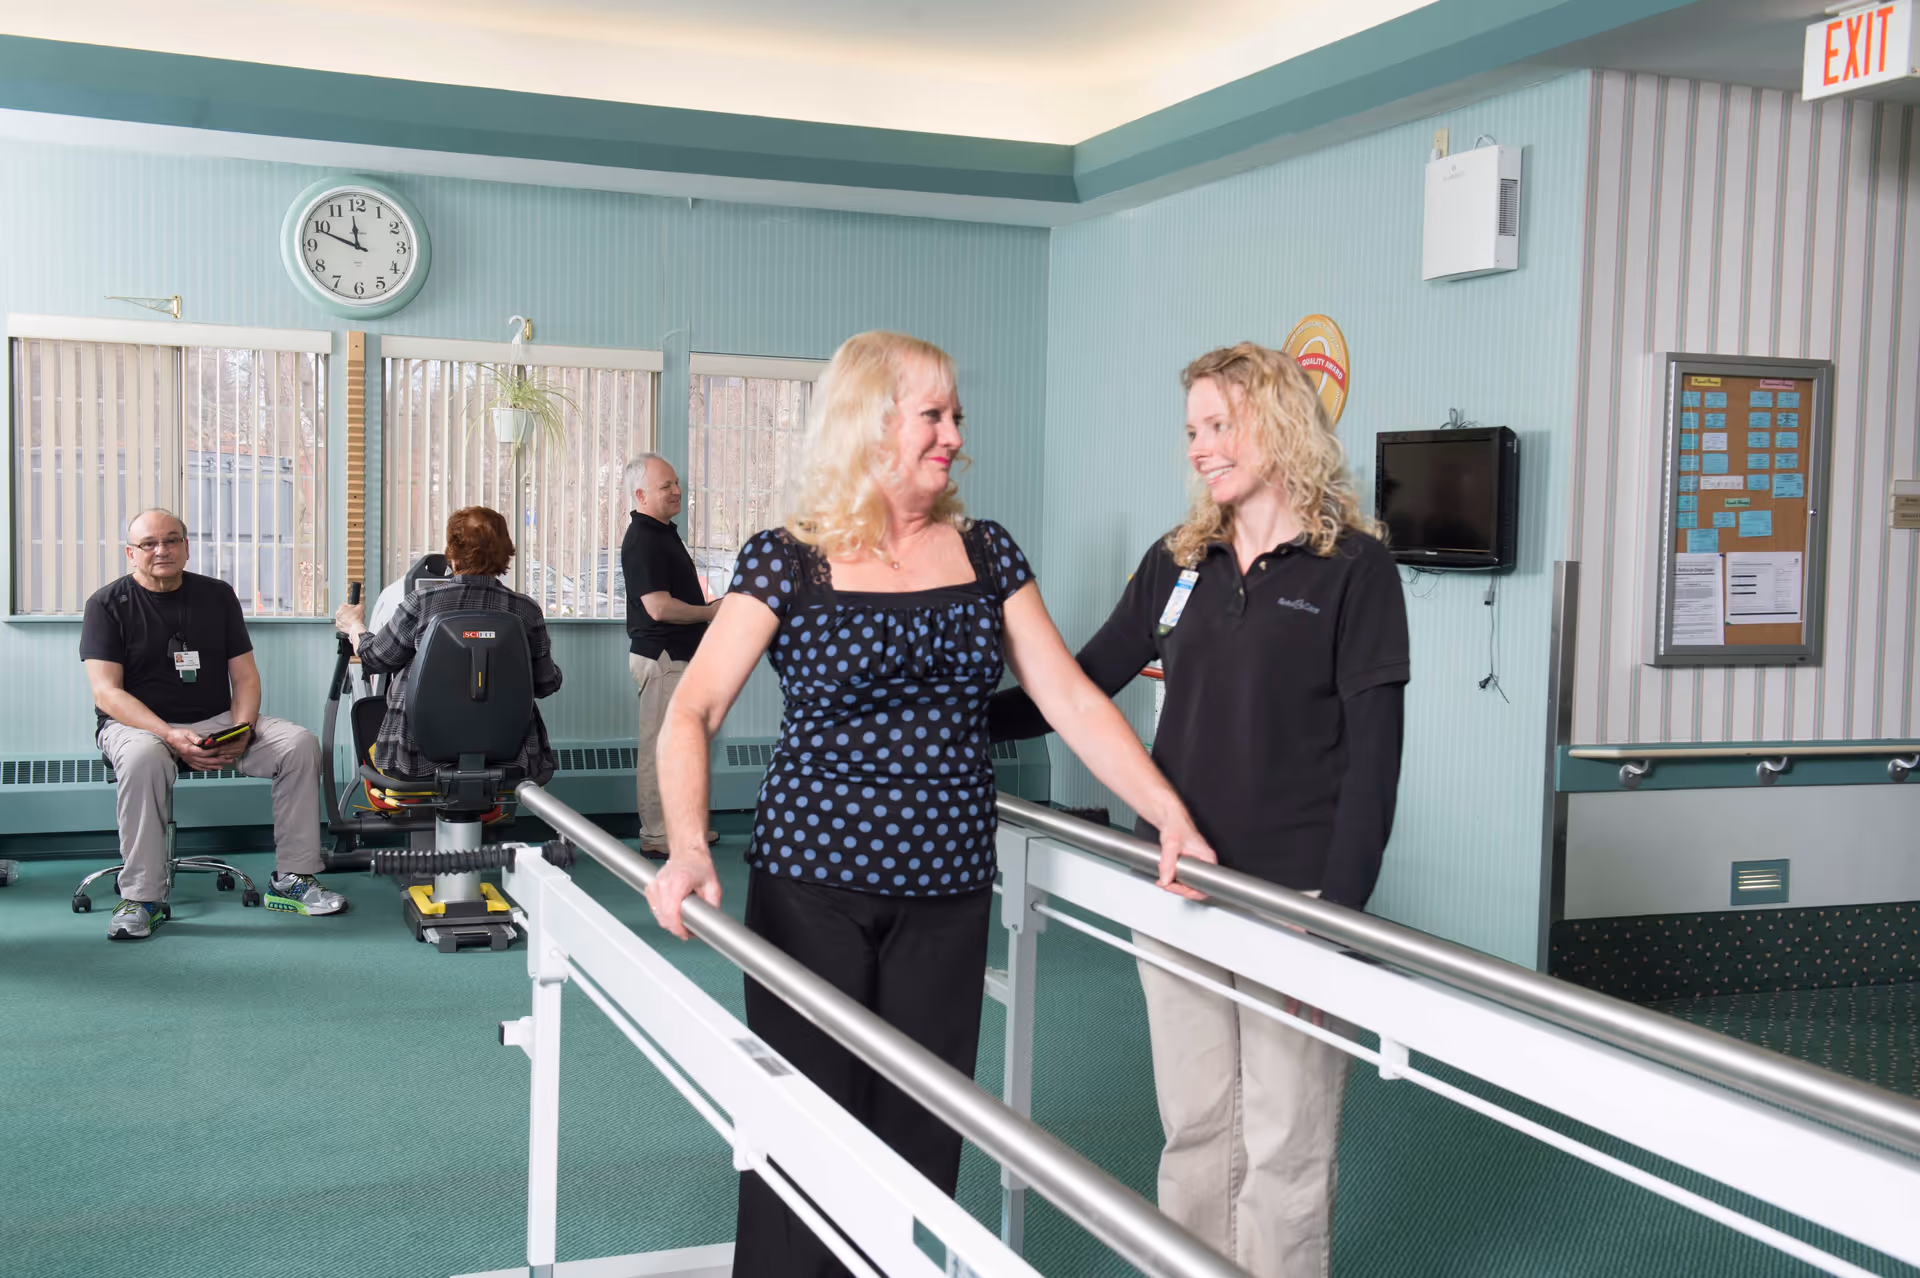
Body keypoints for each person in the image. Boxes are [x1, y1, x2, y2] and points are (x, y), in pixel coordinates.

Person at [644, 331, 1216, 1278]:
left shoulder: (986, 553)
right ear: (869, 424)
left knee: (920, 1138)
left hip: (946, 895)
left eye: (957, 415)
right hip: (810, 889)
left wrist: (1167, 811)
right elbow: (693, 710)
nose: (954, 434)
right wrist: (691, 847)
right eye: (933, 415)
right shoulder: (788, 559)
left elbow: (1070, 698)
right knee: (804, 1131)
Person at [990, 341, 1410, 1278]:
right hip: (1176, 884)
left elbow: (1375, 763)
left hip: (1293, 894)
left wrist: (1334, 926)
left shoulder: (1355, 569)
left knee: (1285, 1139)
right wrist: (949, 716)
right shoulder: (1179, 560)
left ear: (1281, 424)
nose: (1200, 448)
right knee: (1195, 1126)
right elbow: (1079, 686)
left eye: (1220, 425)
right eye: (1192, 430)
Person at [81, 508, 346, 940]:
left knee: (299, 744)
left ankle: (293, 878)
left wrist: (242, 731)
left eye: (171, 540)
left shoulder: (216, 596)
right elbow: (107, 693)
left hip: (216, 721)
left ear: (186, 547)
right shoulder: (107, 605)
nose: (161, 550)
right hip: (137, 726)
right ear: (131, 553)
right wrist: (168, 734)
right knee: (145, 758)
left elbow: (245, 677)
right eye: (149, 543)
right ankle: (142, 898)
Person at [334, 506, 562, 784]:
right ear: (505, 552)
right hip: (510, 760)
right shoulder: (526, 611)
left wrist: (354, 625)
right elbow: (546, 684)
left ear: (452, 554)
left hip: (415, 760)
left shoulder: (422, 602)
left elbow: (375, 657)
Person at [620, 452, 720, 853]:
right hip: (662, 657)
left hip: (679, 656)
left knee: (681, 750)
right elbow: (658, 607)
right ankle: (657, 835)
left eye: (677, 483)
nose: (677, 491)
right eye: (666, 486)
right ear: (641, 495)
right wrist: (709, 613)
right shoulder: (643, 539)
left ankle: (681, 829)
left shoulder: (662, 533)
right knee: (659, 750)